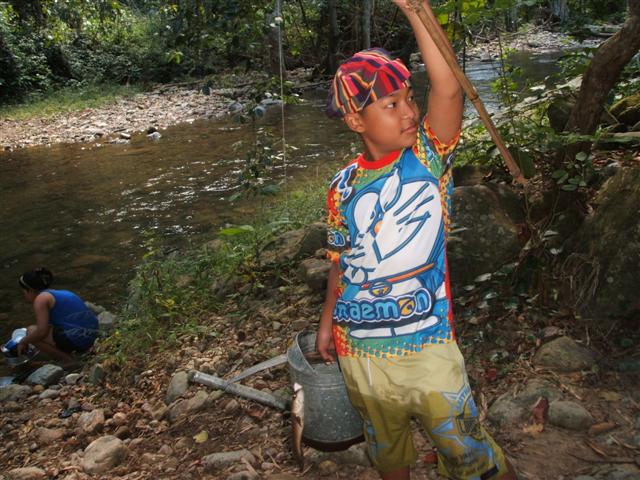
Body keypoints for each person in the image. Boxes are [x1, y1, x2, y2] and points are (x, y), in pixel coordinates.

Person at [316, 1, 517, 479]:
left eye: (409, 98)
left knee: (470, 453)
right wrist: (326, 323)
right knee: (388, 452)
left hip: (429, 348)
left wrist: (416, 11)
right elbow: (340, 261)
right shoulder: (341, 187)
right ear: (356, 121)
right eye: (391, 105)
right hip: (359, 351)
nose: (409, 111)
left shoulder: (427, 158)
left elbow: (448, 88)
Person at [16, 267, 99, 363]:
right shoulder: (61, 293)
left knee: (31, 331)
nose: (24, 296)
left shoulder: (40, 299)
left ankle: (68, 360)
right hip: (94, 334)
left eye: (24, 292)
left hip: (81, 340)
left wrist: (23, 341)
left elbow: (41, 332)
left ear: (30, 290)